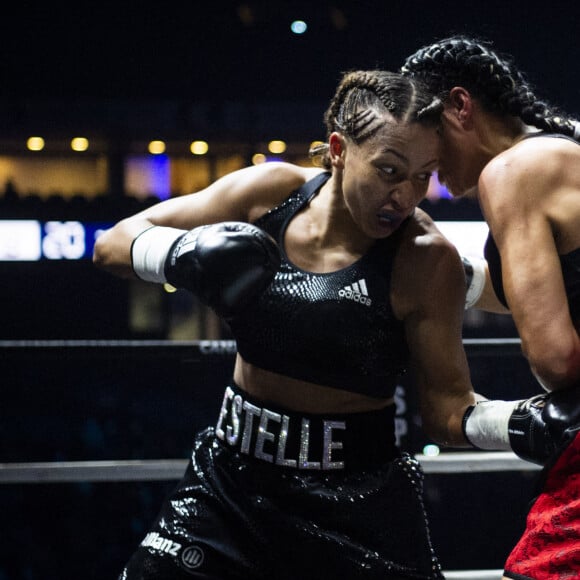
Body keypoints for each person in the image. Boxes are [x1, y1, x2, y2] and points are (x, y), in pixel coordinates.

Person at [93, 69, 574, 580]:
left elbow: (447, 411)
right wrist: (178, 253)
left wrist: (515, 423)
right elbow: (113, 243)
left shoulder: (424, 259)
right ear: (340, 149)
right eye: (389, 170)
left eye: (422, 175)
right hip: (229, 484)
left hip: (356, 505)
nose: (405, 196)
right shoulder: (270, 193)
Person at [402, 35, 580, 580]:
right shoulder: (563, 150)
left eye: (427, 139)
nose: (427, 167)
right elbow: (553, 291)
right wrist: (431, 274)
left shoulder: (512, 173)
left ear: (460, 107)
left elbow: (557, 359)